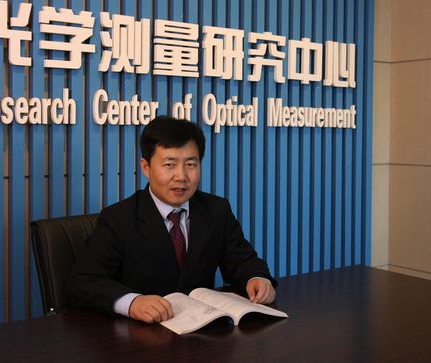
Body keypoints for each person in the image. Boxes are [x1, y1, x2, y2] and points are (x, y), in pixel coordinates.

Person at [64, 116, 276, 324]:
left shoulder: (216, 210)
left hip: (203, 331)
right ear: (146, 167)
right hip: (141, 335)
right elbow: (82, 282)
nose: (181, 176)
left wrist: (256, 278)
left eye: (190, 164)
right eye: (169, 165)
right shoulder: (119, 218)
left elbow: (242, 260)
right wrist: (132, 302)